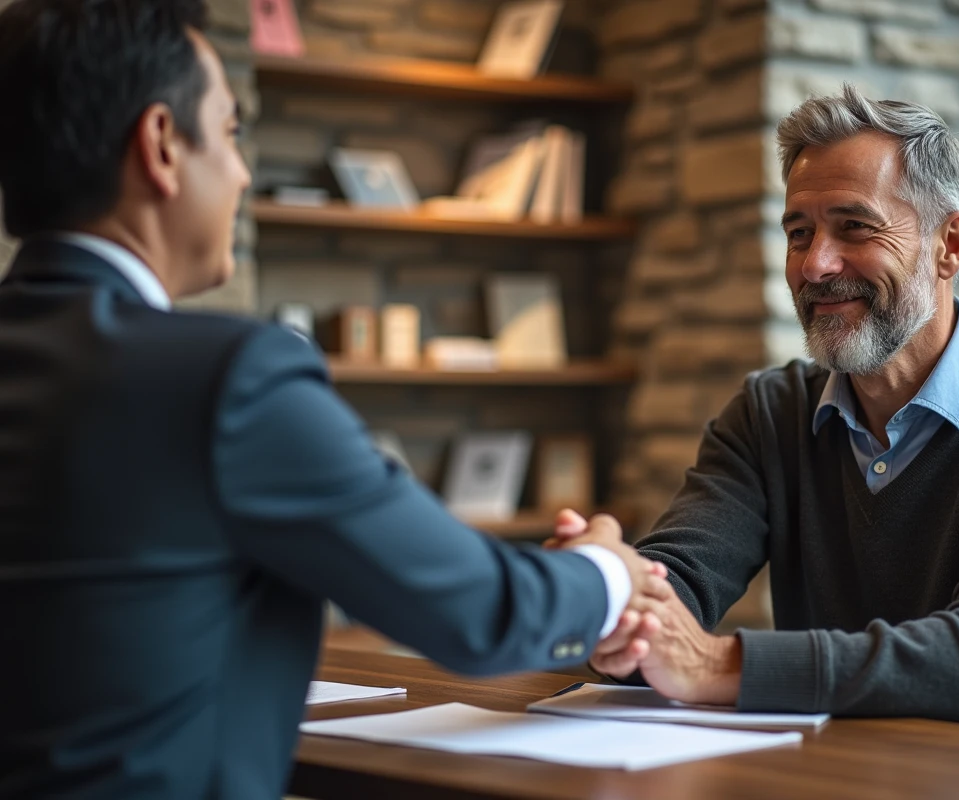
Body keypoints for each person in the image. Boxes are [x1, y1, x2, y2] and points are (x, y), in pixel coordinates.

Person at [0, 2, 669, 797]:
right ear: (161, 146)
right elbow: (477, 611)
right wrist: (611, 571)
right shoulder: (230, 376)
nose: (244, 173)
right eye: (232, 131)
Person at [553, 86, 959, 742]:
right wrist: (610, 598)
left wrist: (716, 662)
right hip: (840, 775)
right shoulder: (768, 414)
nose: (814, 265)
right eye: (798, 233)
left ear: (950, 244)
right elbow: (679, 581)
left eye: (854, 227)